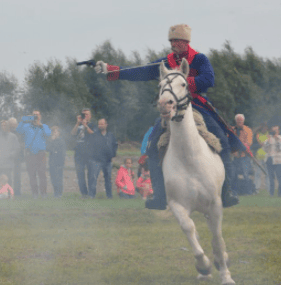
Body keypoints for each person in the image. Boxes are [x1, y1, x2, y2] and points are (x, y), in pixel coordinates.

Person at [94, 24, 244, 209]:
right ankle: (159, 196)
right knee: (152, 147)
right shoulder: (165, 62)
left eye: (176, 41)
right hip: (171, 110)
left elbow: (208, 80)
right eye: (171, 41)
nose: (173, 44)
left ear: (186, 42)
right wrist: (111, 70)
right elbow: (140, 71)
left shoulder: (199, 59)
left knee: (222, 141)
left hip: (196, 105)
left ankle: (227, 192)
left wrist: (182, 82)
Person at [16, 110, 51, 198]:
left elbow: (48, 134)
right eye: (34, 115)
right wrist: (23, 120)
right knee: (32, 174)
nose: (35, 117)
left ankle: (43, 193)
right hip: (30, 153)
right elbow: (18, 131)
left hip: (41, 153)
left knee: (42, 174)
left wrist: (41, 125)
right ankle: (35, 193)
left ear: (40, 117)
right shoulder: (27, 126)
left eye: (37, 115)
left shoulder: (44, 126)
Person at [87, 119, 118, 199]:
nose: (100, 125)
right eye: (99, 124)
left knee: (108, 179)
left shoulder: (110, 135)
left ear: (106, 125)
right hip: (96, 160)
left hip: (107, 161)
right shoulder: (95, 135)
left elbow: (115, 145)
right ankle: (91, 195)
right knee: (93, 178)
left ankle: (109, 196)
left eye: (102, 124)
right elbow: (90, 146)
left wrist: (112, 154)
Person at [70, 108, 97, 198]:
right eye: (83, 114)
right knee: (80, 174)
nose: (85, 116)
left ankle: (91, 194)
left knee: (91, 175)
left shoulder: (93, 125)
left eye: (87, 114)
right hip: (79, 153)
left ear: (90, 116)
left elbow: (93, 134)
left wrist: (86, 126)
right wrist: (78, 123)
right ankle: (84, 194)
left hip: (90, 153)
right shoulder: (78, 125)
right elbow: (73, 133)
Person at [0, 120, 19, 186]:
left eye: (5, 125)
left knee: (8, 179)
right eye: (2, 125)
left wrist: (11, 155)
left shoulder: (13, 136)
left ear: (8, 126)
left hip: (8, 163)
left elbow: (17, 148)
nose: (3, 127)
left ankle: (9, 195)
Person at [232, 114, 254, 195]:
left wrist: (241, 147)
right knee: (234, 174)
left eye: (241, 121)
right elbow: (230, 141)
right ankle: (235, 191)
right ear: (236, 121)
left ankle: (249, 191)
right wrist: (234, 151)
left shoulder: (248, 130)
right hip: (235, 156)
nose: (239, 123)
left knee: (246, 174)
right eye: (238, 121)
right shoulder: (232, 130)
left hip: (245, 156)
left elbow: (249, 142)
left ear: (243, 121)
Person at [47, 126, 66, 198]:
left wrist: (62, 162)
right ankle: (55, 193)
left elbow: (63, 152)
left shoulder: (61, 141)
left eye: (56, 131)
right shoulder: (50, 140)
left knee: (59, 178)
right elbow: (48, 148)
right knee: (53, 178)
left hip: (59, 162)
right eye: (53, 132)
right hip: (52, 162)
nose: (54, 133)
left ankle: (59, 193)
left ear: (59, 133)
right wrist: (51, 141)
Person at [262, 125, 281, 196]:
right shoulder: (268, 139)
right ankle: (271, 193)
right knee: (271, 177)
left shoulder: (280, 138)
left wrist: (277, 140)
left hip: (278, 160)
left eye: (275, 130)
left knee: (279, 177)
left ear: (278, 131)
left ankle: (280, 193)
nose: (274, 132)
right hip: (270, 159)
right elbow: (265, 149)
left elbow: (279, 149)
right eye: (273, 130)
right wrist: (267, 141)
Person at [8, 117, 24, 196]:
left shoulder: (20, 132)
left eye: (14, 124)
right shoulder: (7, 132)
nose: (12, 125)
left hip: (17, 157)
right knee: (8, 174)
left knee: (17, 175)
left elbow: (22, 143)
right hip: (8, 157)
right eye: (11, 124)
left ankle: (17, 192)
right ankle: (9, 191)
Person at [252, 123, 269, 191]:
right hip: (258, 156)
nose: (265, 129)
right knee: (257, 173)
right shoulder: (257, 135)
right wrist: (260, 145)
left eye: (266, 128)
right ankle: (257, 187)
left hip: (266, 157)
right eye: (263, 127)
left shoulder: (268, 135)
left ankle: (268, 187)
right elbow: (253, 145)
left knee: (267, 173)